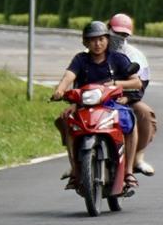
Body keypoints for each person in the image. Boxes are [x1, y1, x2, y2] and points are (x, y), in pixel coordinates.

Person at [51, 20, 143, 195]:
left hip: (112, 105)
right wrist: (60, 89)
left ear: (107, 40)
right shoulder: (80, 59)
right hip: (84, 106)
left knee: (130, 121)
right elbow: (69, 76)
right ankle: (75, 170)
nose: (97, 43)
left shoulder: (117, 59)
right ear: (85, 42)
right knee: (68, 122)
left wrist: (116, 83)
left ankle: (129, 171)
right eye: (92, 40)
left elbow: (136, 82)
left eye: (101, 39)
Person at [106, 12, 157, 176]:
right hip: (96, 98)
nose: (119, 38)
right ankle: (77, 164)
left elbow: (141, 84)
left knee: (145, 114)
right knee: (68, 117)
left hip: (126, 98)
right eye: (116, 33)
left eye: (124, 35)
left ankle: (137, 158)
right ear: (108, 29)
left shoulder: (134, 55)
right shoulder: (95, 49)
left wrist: (128, 97)